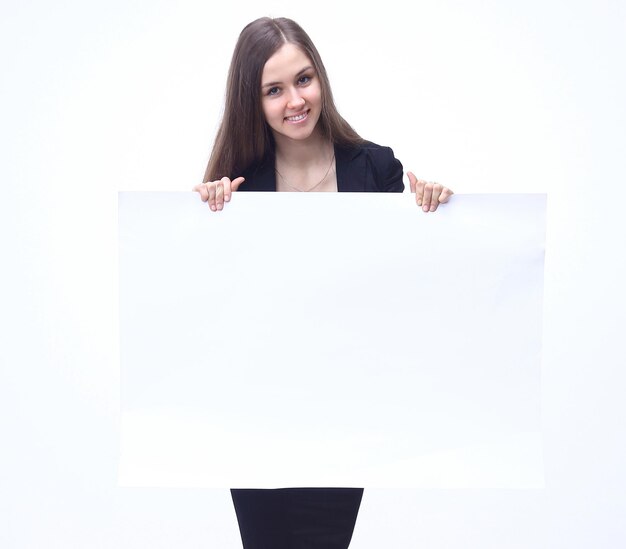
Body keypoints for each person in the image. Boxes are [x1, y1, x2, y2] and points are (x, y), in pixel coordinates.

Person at [193, 16, 454, 549]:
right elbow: (210, 304)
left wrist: (429, 212)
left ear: (322, 80)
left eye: (304, 79)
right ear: (253, 101)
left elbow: (407, 284)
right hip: (257, 417)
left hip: (343, 413)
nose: (295, 100)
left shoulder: (376, 169)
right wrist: (208, 216)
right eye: (274, 89)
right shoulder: (239, 183)